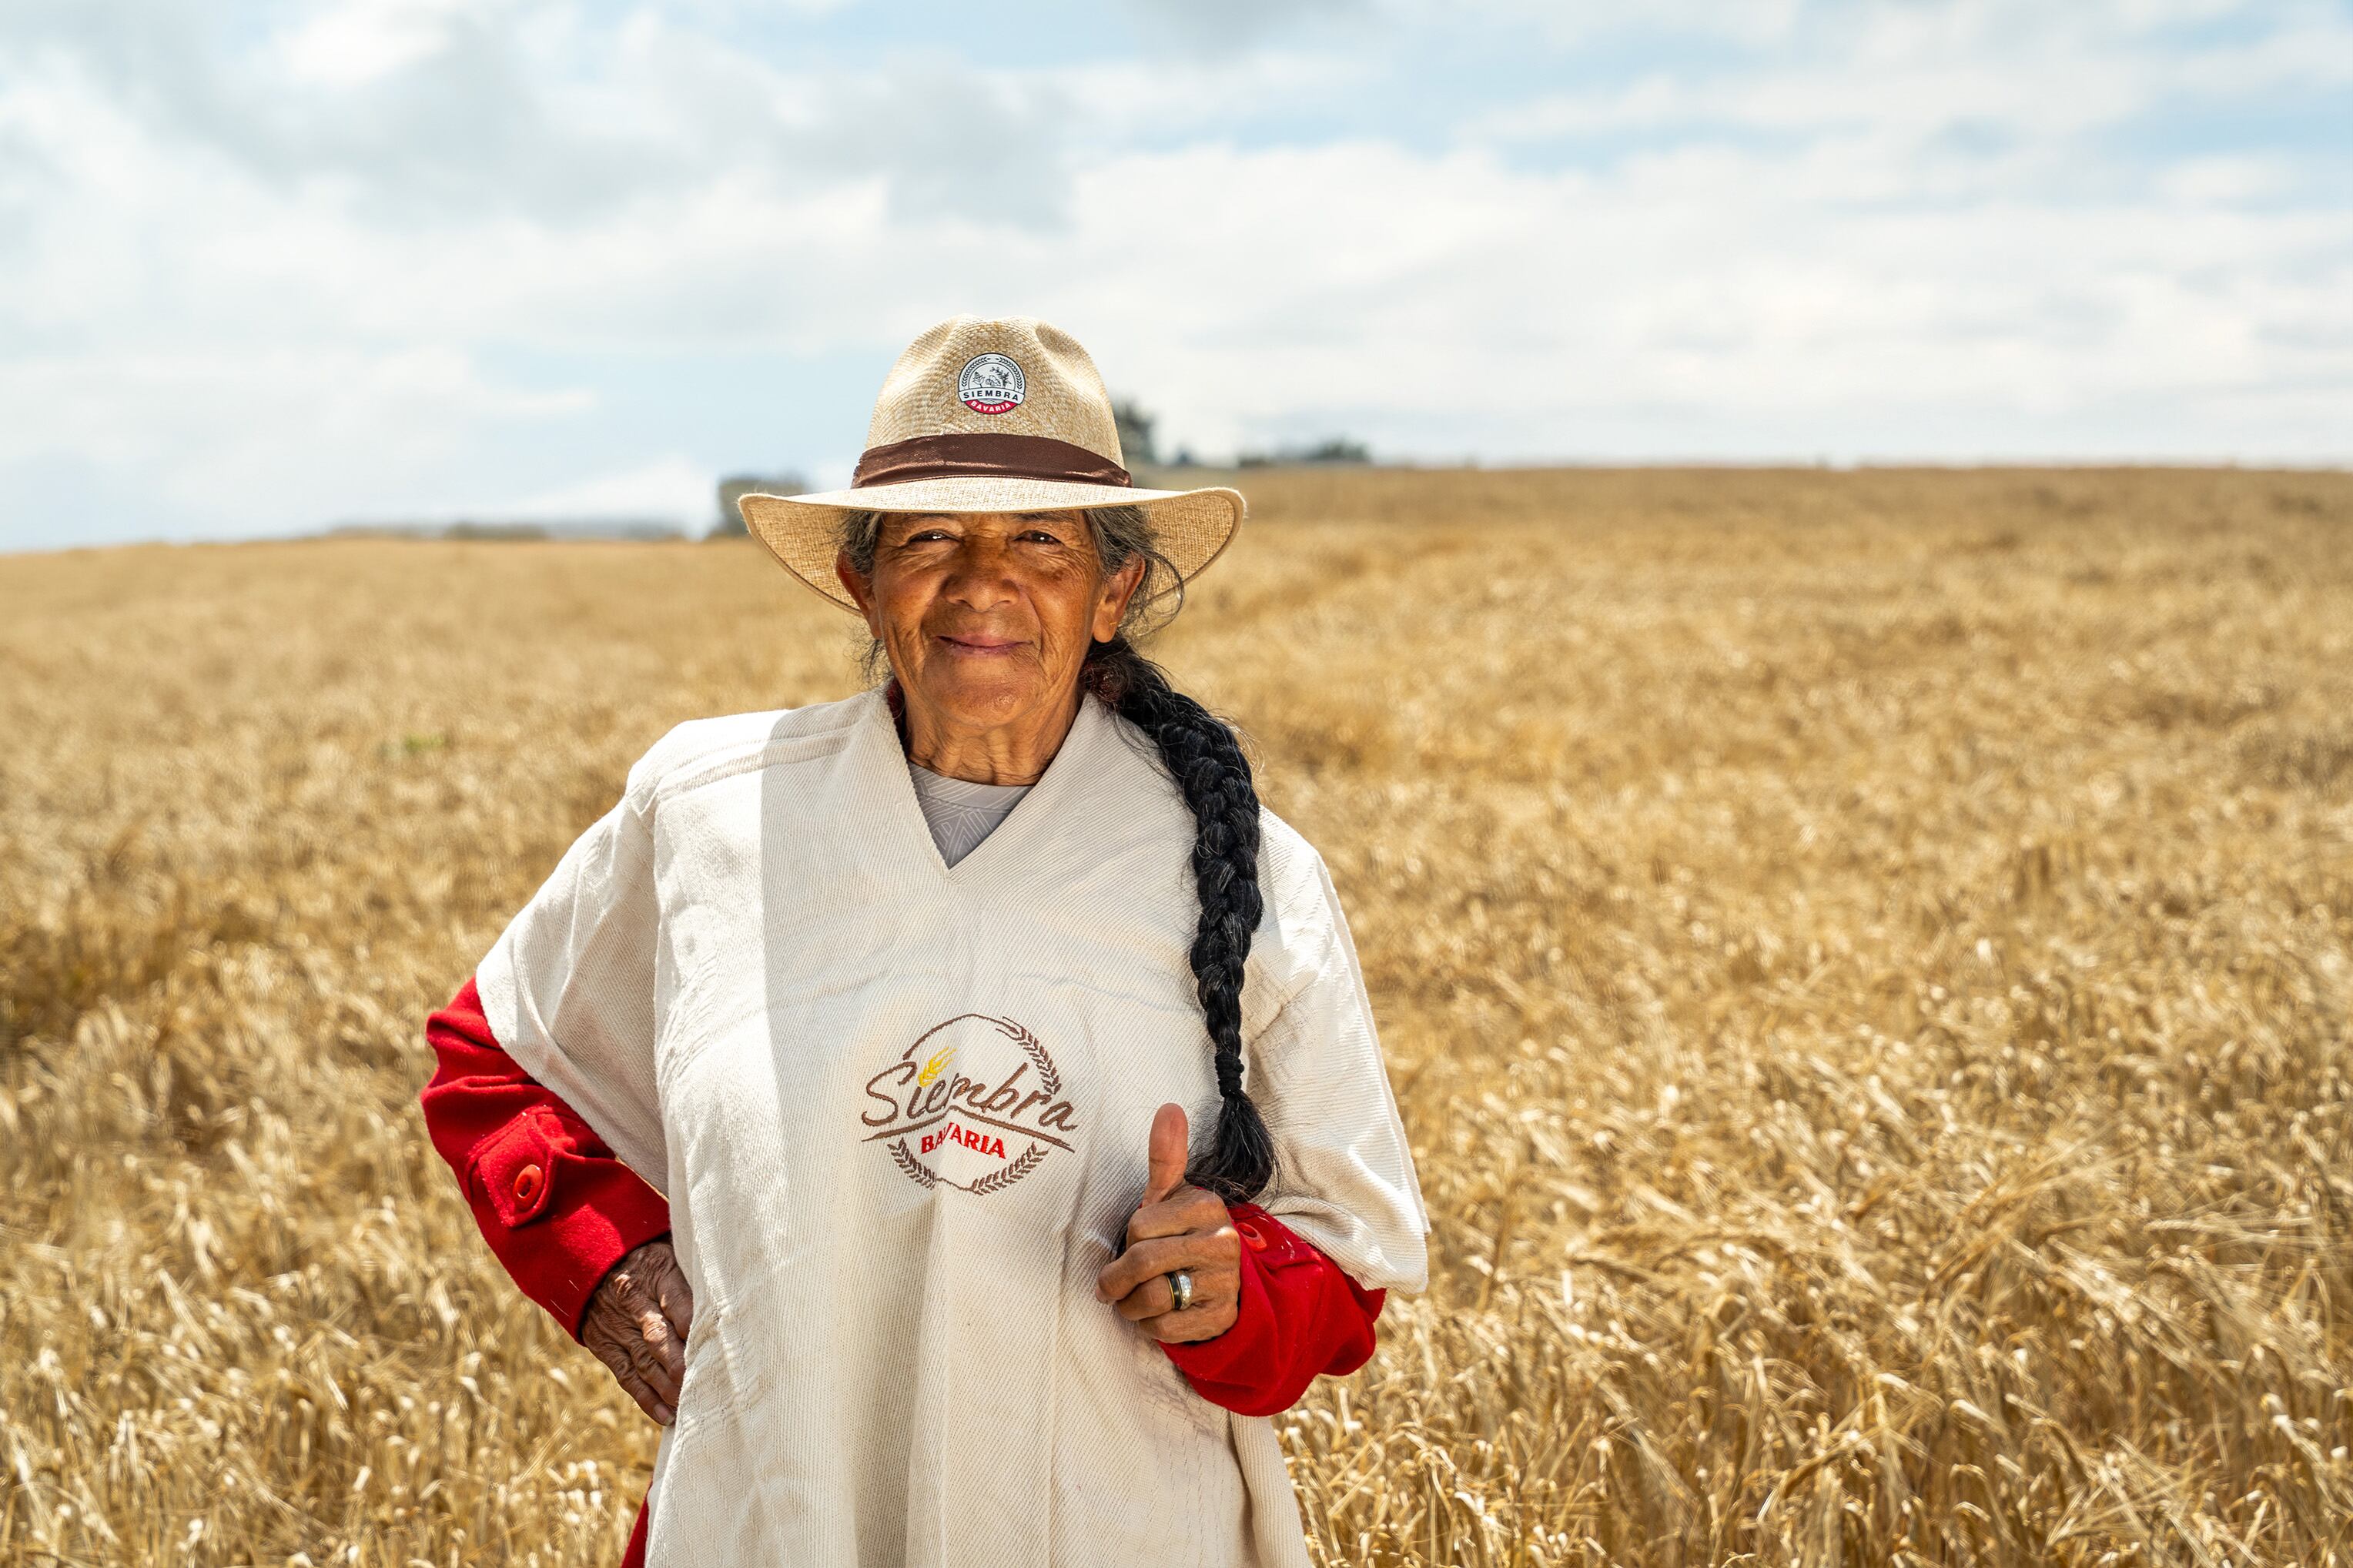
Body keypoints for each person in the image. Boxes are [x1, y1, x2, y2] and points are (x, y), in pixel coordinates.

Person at [418, 316, 1428, 1566]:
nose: (981, 583)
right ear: (862, 578)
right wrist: (608, 1265)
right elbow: (489, 1058)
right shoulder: (710, 811)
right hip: (777, 1519)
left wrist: (1231, 1285)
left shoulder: (1250, 869)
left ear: (1115, 588)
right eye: (932, 536)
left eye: (1039, 541)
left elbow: (1344, 1260)